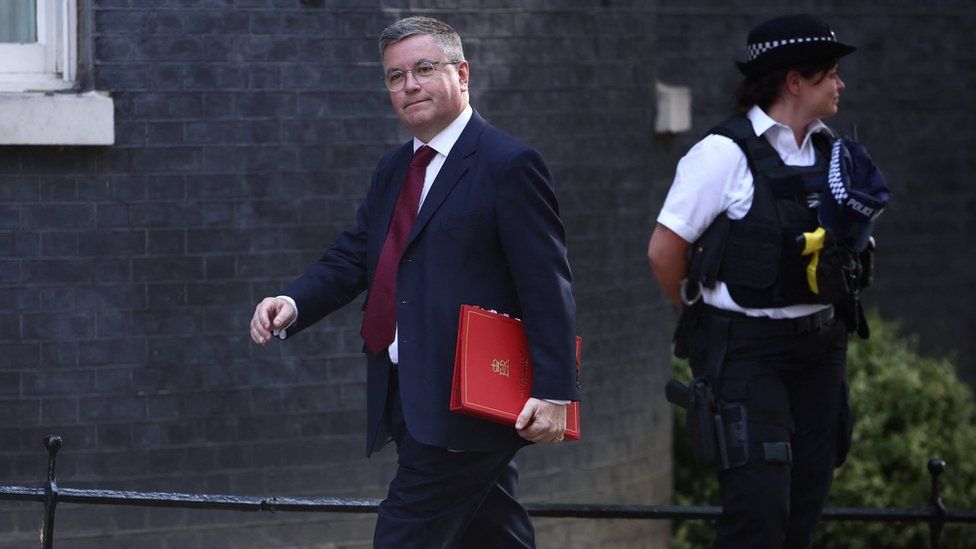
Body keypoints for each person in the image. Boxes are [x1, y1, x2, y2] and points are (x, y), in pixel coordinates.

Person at [248, 16, 579, 549]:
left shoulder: (508, 164)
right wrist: (294, 301)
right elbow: (358, 254)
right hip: (406, 392)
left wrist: (555, 390)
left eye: (424, 69)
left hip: (469, 398)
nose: (409, 86)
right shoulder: (396, 167)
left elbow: (546, 282)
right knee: (491, 531)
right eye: (395, 77)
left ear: (462, 73)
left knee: (404, 534)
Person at [648, 14, 886, 548]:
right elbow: (665, 251)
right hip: (747, 353)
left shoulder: (834, 154)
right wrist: (698, 310)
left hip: (822, 349)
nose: (840, 84)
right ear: (794, 81)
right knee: (757, 515)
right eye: (830, 74)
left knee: (804, 510)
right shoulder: (722, 154)